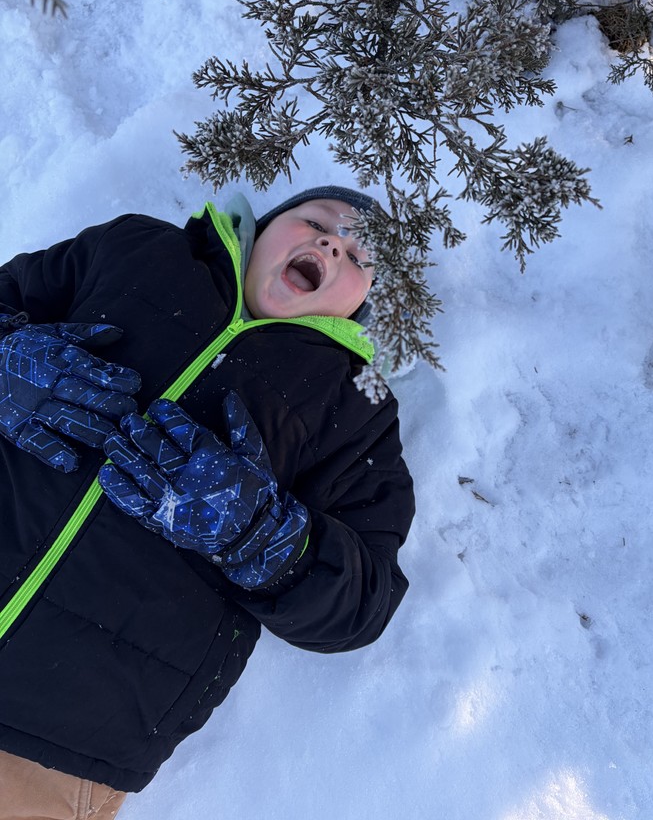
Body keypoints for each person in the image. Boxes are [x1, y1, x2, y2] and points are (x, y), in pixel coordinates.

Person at [0, 186, 415, 820]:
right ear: (265, 226)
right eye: (315, 221)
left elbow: (362, 603)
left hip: (62, 737)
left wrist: (262, 537)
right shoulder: (137, 248)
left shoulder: (359, 406)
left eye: (360, 257)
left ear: (362, 302)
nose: (333, 243)